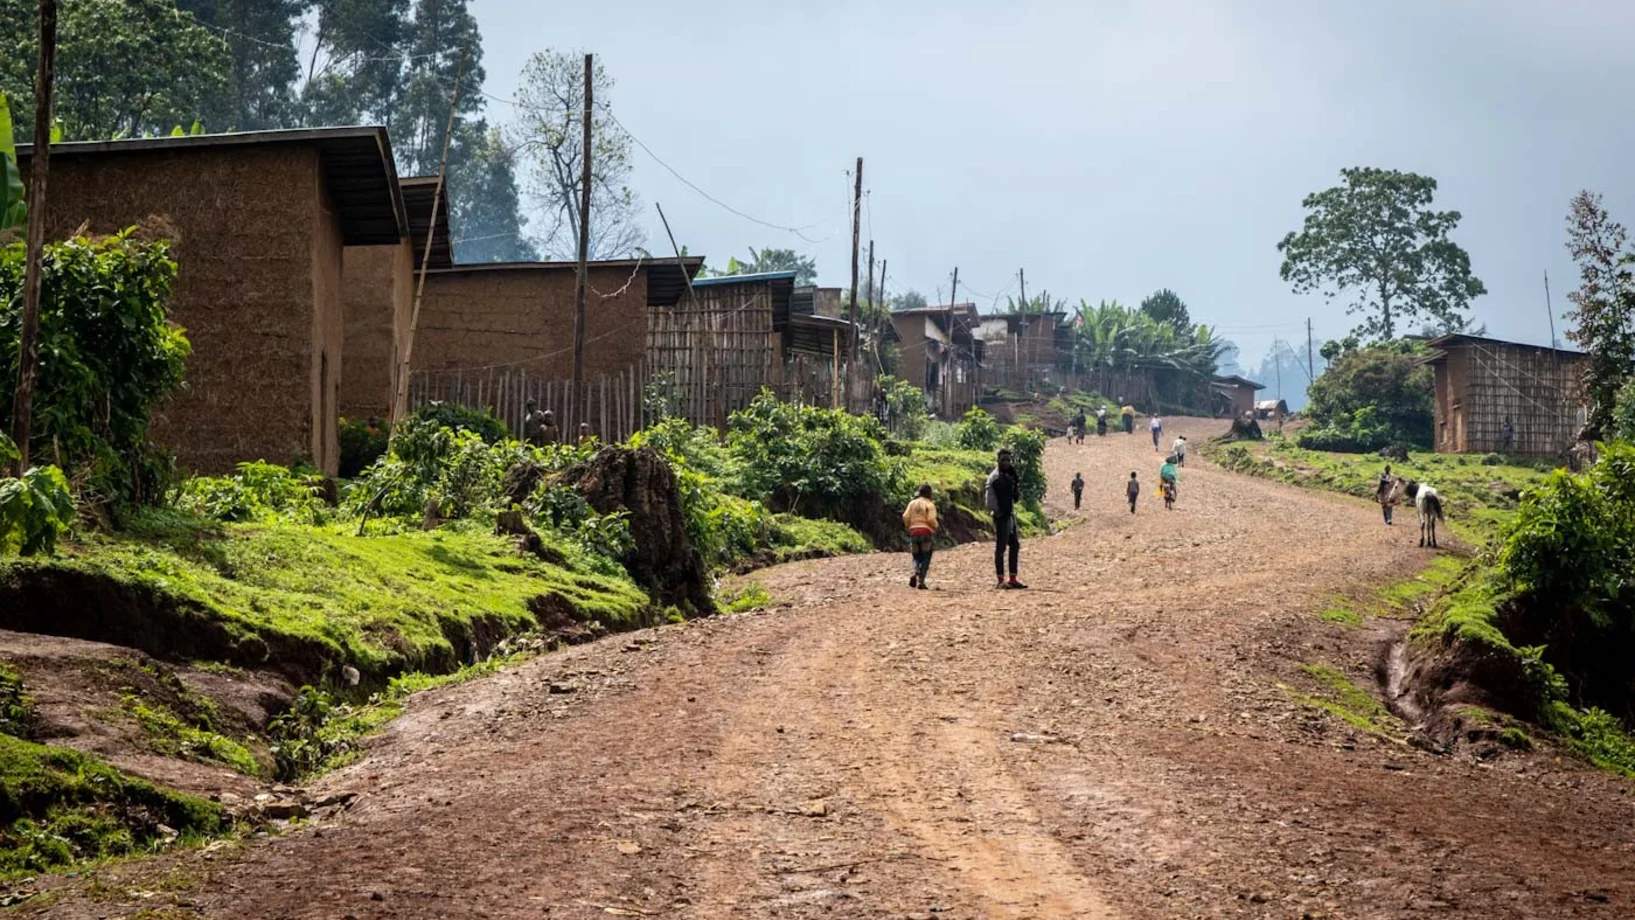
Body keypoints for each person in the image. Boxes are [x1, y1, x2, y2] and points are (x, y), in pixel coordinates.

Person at [985, 449, 1027, 589]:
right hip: (1001, 516)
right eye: (1003, 459)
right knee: (1001, 547)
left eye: (1008, 460)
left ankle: (1013, 578)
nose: (1006, 462)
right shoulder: (995, 477)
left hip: (1010, 515)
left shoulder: (1008, 475)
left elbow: (1014, 497)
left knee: (1014, 545)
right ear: (998, 460)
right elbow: (989, 501)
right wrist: (998, 513)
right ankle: (1000, 580)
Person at [902, 483, 939, 589]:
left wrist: (909, 526)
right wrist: (935, 526)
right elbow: (931, 519)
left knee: (916, 556)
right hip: (926, 532)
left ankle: (914, 571)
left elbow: (905, 516)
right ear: (929, 494)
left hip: (914, 532)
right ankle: (921, 581)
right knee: (926, 556)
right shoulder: (929, 504)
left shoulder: (912, 503)